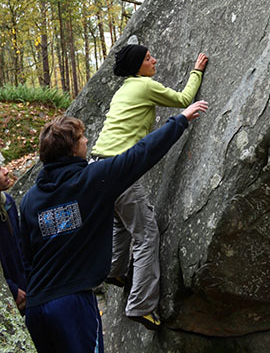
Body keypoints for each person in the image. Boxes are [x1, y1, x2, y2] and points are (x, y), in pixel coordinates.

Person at [20, 102, 208, 353]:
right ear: (73, 149)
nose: (87, 140)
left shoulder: (30, 199)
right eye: (82, 138)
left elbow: (27, 256)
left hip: (36, 309)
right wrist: (180, 120)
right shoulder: (92, 179)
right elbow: (140, 155)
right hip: (72, 305)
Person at [91, 44, 208, 329]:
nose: (154, 60)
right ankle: (141, 306)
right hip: (121, 170)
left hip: (96, 167)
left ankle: (115, 270)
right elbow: (183, 99)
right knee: (146, 235)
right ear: (137, 66)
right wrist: (197, 71)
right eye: (147, 58)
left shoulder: (124, 90)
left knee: (121, 223)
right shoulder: (143, 86)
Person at [0, 159, 27, 313]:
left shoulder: (7, 202)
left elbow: (20, 243)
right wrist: (12, 289)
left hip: (26, 285)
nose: (6, 171)